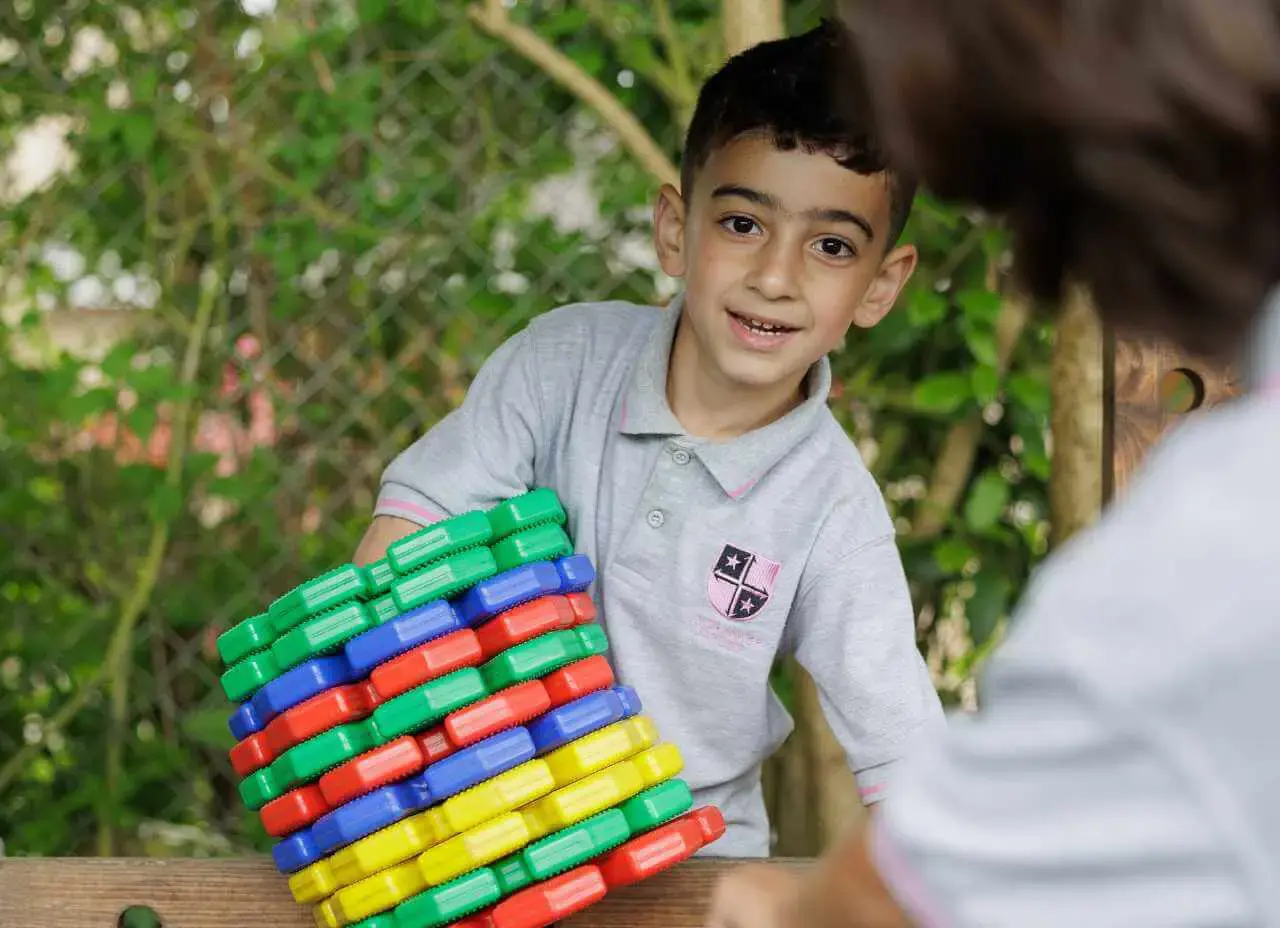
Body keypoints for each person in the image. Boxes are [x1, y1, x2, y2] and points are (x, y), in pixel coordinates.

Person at [705, 1, 1280, 924]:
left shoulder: (1200, 562)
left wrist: (788, 908)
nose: (775, 277)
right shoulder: (557, 366)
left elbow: (900, 888)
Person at [353, 20, 944, 858]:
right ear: (675, 228)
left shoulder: (834, 511)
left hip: (692, 855)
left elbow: (904, 752)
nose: (775, 277)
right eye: (743, 225)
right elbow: (403, 542)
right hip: (488, 830)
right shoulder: (559, 364)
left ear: (880, 285)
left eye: (831, 245)